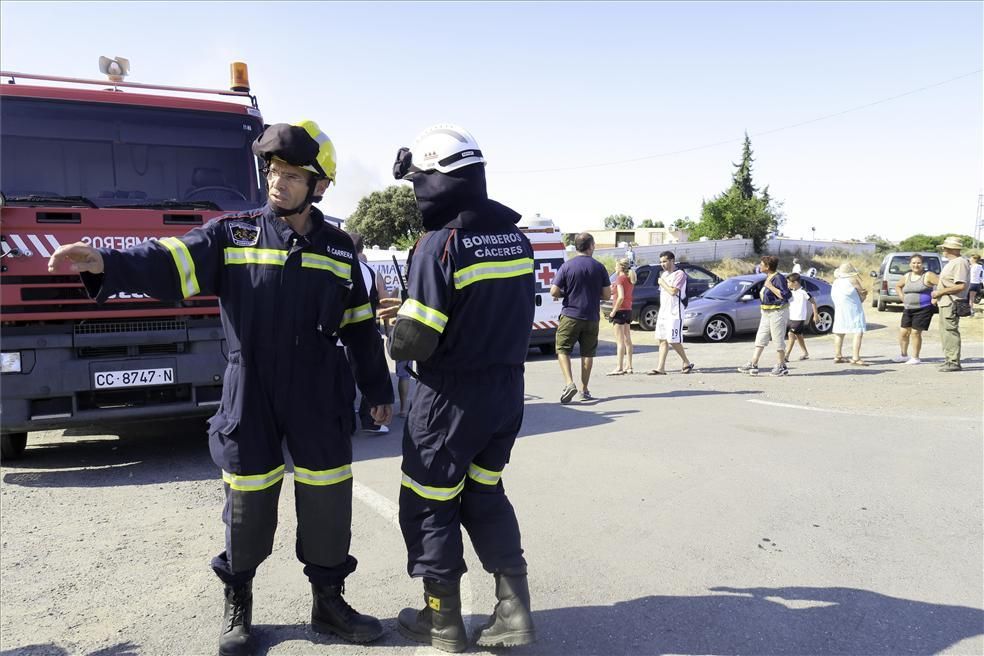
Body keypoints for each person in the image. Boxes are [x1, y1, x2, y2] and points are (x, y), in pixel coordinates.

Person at [48, 121, 394, 655]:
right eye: (273, 172)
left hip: (319, 393)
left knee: (328, 499)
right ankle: (240, 605)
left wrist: (377, 389)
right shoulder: (231, 235)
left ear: (320, 184)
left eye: (292, 175)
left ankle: (329, 601)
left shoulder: (341, 250)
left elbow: (361, 329)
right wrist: (107, 262)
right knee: (247, 506)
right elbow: (171, 258)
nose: (277, 182)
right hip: (250, 389)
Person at [382, 124, 537, 651]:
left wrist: (393, 326)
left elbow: (416, 341)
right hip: (505, 394)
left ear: (438, 180)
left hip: (449, 399)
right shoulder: (514, 237)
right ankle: (514, 610)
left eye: (419, 181)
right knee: (485, 494)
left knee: (430, 502)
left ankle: (441, 622)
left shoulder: (438, 244)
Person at [550, 233, 611, 403]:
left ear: (576, 246)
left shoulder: (567, 266)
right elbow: (607, 295)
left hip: (570, 315)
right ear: (591, 246)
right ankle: (584, 390)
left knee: (562, 349)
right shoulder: (599, 267)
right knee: (587, 353)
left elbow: (554, 291)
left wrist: (566, 293)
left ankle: (569, 383)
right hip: (591, 316)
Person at [349, 231, 392, 434]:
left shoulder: (335, 267)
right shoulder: (372, 273)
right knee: (371, 378)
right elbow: (385, 305)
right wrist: (390, 332)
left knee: (342, 382)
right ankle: (371, 421)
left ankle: (346, 422)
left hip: (338, 337)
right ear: (362, 249)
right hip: (367, 333)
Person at [738, 255, 792, 376]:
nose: (759, 266)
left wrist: (771, 287)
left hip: (777, 312)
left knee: (778, 339)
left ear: (767, 267)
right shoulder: (769, 277)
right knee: (760, 338)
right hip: (766, 312)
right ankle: (754, 363)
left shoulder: (778, 278)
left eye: (761, 264)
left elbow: (785, 295)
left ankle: (781, 365)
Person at [647, 251, 694, 375]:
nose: (662, 264)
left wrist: (662, 283)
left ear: (672, 261)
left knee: (673, 340)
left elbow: (673, 291)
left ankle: (686, 362)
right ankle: (660, 367)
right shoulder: (664, 275)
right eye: (661, 262)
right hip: (664, 312)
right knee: (662, 340)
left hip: (675, 312)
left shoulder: (680, 274)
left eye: (665, 261)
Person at [892, 254, 939, 365]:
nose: (916, 265)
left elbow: (941, 284)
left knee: (915, 332)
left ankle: (915, 357)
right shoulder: (907, 276)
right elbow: (898, 286)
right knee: (903, 332)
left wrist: (936, 298)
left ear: (922, 264)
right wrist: (902, 297)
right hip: (908, 308)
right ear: (910, 264)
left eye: (918, 263)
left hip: (923, 308)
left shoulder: (928, 275)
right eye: (913, 263)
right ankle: (903, 355)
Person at [932, 236, 970, 372]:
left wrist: (940, 292)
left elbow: (960, 286)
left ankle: (953, 361)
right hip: (946, 302)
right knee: (945, 332)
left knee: (950, 331)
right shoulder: (953, 262)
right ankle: (949, 360)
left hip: (951, 302)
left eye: (945, 248)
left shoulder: (960, 263)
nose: (943, 250)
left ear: (950, 249)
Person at [830, 262, 869, 365]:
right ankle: (855, 357)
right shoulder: (853, 280)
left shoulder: (836, 282)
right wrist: (865, 294)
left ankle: (838, 355)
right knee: (858, 331)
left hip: (840, 309)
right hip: (854, 309)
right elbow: (862, 296)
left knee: (839, 331)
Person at [607, 258, 636, 375]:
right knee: (627, 339)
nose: (615, 268)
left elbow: (621, 297)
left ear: (620, 267)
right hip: (628, 310)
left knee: (620, 341)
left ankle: (619, 367)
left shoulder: (620, 279)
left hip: (620, 310)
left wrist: (613, 312)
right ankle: (629, 366)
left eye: (616, 266)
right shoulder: (629, 278)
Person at [784, 273, 819, 361]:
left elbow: (813, 302)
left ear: (795, 282)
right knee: (798, 335)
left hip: (799, 318)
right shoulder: (791, 292)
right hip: (792, 317)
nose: (787, 284)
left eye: (788, 282)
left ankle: (786, 356)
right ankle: (805, 353)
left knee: (791, 334)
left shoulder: (804, 292)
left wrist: (815, 315)